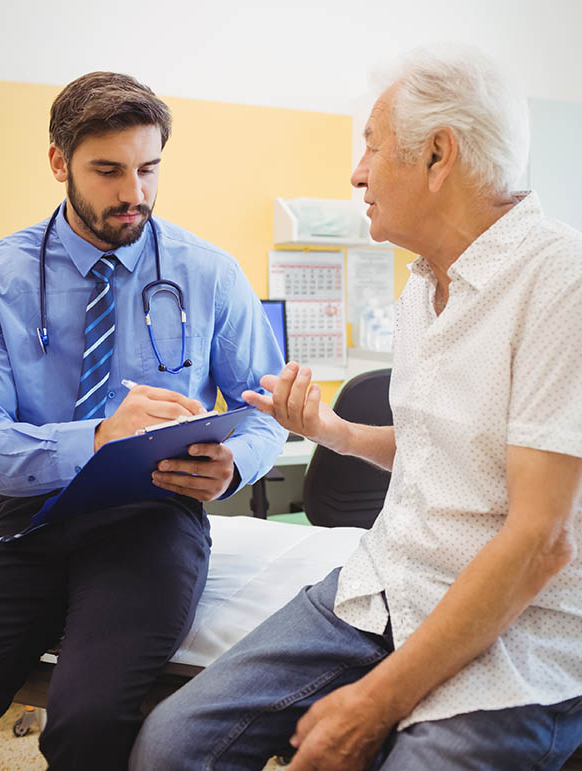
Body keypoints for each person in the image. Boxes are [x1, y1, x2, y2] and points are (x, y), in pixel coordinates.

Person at [130, 44, 582, 771]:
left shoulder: (561, 281)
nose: (356, 172)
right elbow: (447, 453)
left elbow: (542, 540)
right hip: (387, 584)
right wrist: (329, 429)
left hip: (518, 629)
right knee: (170, 744)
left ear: (438, 155)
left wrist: (375, 703)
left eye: (371, 147)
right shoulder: (421, 283)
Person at [0, 71, 287, 770]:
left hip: (149, 521)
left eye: (149, 169)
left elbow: (266, 412)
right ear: (59, 163)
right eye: (109, 170)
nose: (134, 193)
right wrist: (95, 438)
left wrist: (235, 463)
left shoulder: (207, 273)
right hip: (27, 520)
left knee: (87, 719)